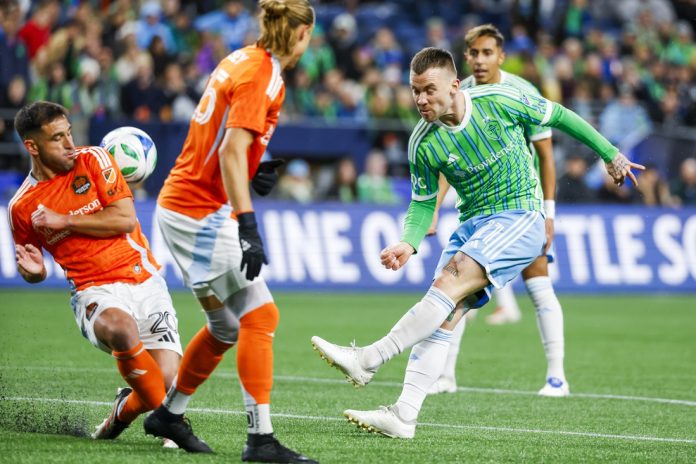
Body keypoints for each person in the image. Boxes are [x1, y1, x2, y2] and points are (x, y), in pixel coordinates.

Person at [311, 47, 643, 439]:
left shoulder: (500, 100)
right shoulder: (422, 143)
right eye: (415, 91)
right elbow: (422, 203)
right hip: (473, 225)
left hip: (521, 215)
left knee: (448, 282)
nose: (421, 100)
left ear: (454, 86)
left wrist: (610, 154)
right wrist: (408, 242)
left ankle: (369, 358)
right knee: (444, 314)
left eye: (429, 90)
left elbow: (560, 115)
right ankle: (404, 415)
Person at [144, 1, 318, 462]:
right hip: (199, 212)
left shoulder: (240, 58)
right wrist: (248, 222)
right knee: (261, 317)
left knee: (224, 326)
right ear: (303, 35)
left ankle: (169, 414)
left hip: (183, 204)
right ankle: (260, 440)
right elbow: (229, 150)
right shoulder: (265, 74)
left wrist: (251, 170)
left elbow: (223, 141)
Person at [8, 101, 182, 443]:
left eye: (69, 133)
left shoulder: (95, 159)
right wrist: (35, 273)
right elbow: (33, 266)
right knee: (121, 329)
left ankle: (121, 412)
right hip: (94, 291)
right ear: (32, 146)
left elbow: (125, 219)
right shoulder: (21, 207)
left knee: (164, 380)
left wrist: (65, 220)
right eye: (57, 138)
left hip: (144, 280)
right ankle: (174, 423)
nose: (69, 144)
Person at [427, 24, 570, 397]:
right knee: (457, 290)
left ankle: (557, 377)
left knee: (538, 286)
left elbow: (546, 157)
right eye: (473, 53)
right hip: (478, 212)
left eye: (487, 52)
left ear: (501, 56)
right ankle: (445, 376)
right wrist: (434, 208)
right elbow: (446, 160)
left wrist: (548, 213)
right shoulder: (457, 94)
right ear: (465, 56)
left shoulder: (523, 92)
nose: (479, 60)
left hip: (521, 209)